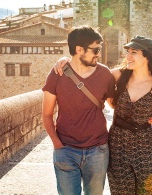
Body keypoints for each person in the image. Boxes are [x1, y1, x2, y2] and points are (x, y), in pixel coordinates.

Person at [54, 35, 152, 194]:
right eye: (128, 52)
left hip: (144, 147)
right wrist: (66, 61)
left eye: (134, 52)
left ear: (147, 56)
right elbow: (88, 69)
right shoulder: (117, 75)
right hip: (117, 145)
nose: (128, 56)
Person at [42, 26, 115, 195]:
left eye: (99, 49)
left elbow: (115, 104)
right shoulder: (57, 75)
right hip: (66, 150)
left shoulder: (105, 74)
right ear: (79, 49)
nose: (98, 54)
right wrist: (58, 145)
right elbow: (46, 114)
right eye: (95, 50)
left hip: (98, 150)